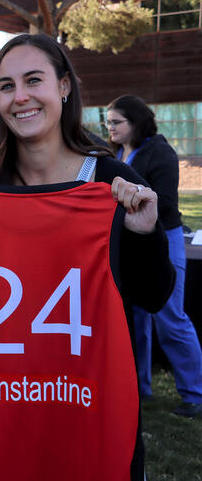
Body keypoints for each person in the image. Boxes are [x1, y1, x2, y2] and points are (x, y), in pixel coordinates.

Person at [0, 34, 175, 480]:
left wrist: (142, 232)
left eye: (34, 80)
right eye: (6, 86)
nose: (21, 97)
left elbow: (153, 296)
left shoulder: (110, 181)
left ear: (64, 86)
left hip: (86, 417)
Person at [107, 94, 202, 418]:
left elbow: (165, 202)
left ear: (135, 122)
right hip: (130, 240)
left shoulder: (161, 151)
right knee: (135, 318)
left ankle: (195, 394)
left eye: (116, 123)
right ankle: (140, 387)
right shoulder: (118, 152)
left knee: (170, 317)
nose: (110, 129)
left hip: (165, 237)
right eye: (108, 123)